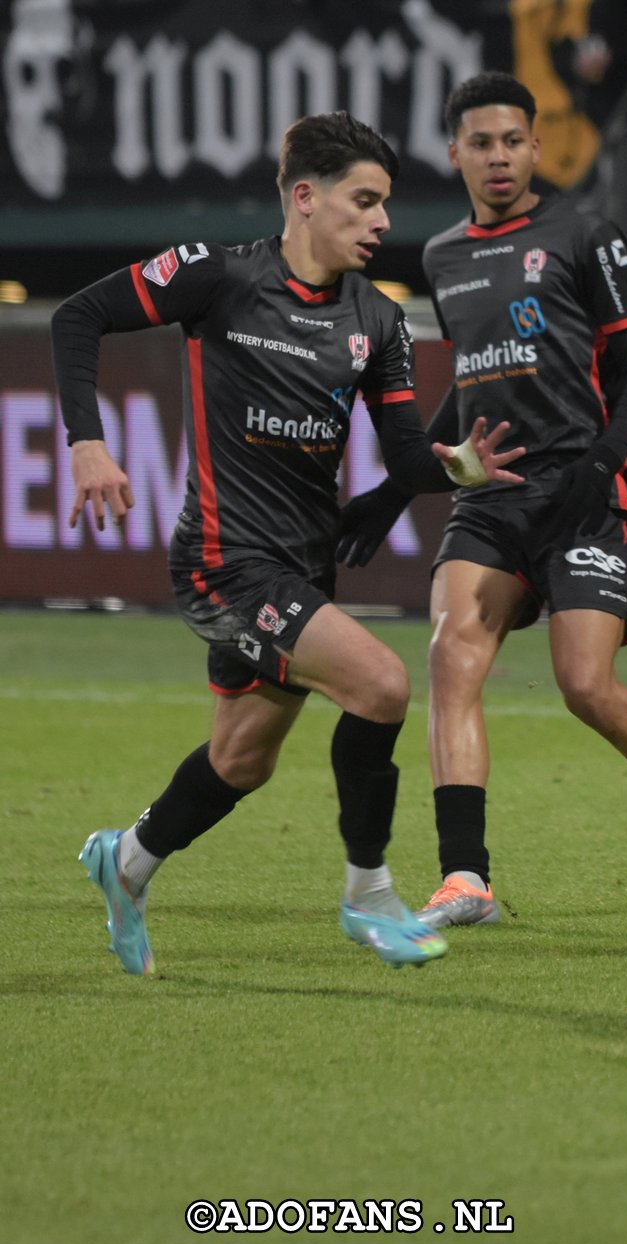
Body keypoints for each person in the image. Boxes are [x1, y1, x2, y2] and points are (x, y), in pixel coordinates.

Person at [53, 112, 525, 974]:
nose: (383, 222)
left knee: (242, 758)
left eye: (386, 203)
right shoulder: (218, 275)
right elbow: (78, 319)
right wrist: (88, 441)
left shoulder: (377, 323)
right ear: (305, 198)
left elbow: (407, 458)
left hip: (302, 567)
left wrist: (457, 466)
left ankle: (124, 864)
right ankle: (369, 895)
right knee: (382, 685)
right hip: (223, 562)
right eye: (365, 201)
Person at [335, 72, 627, 926]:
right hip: (492, 497)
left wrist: (599, 467)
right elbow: (472, 382)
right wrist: (395, 487)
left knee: (586, 686)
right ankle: (466, 878)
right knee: (452, 657)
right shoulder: (442, 254)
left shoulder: (583, 234)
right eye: (481, 143)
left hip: (582, 490)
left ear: (535, 147)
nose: (499, 157)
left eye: (513, 141)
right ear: (453, 153)